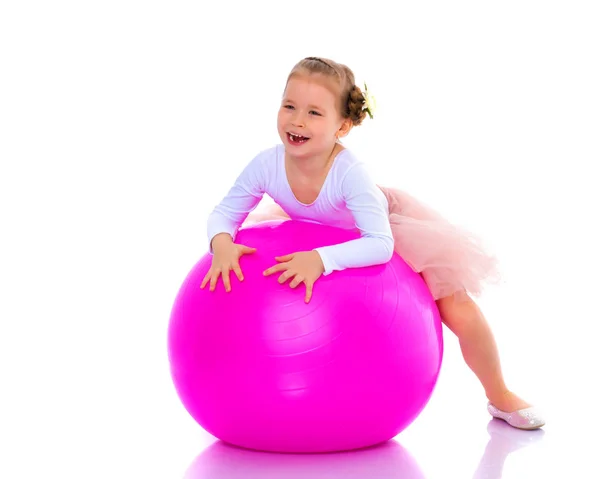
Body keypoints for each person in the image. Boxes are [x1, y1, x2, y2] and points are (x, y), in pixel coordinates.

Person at [201, 56, 545, 430]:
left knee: (457, 307)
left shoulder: (351, 174)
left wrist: (320, 259)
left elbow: (379, 243)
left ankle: (499, 394)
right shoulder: (266, 164)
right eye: (289, 106)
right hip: (313, 231)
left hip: (385, 229)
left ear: (343, 126)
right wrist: (221, 243)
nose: (297, 120)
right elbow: (224, 212)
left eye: (314, 112)